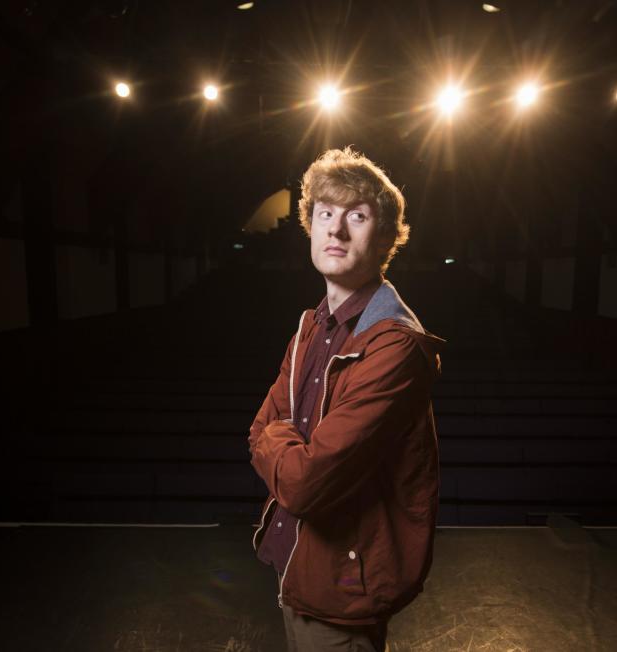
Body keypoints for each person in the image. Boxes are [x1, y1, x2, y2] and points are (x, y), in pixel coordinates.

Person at [248, 147, 444, 651]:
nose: (335, 230)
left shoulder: (394, 345)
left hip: (342, 586)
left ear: (383, 238)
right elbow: (257, 429)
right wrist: (285, 449)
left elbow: (305, 484)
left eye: (356, 216)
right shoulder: (311, 327)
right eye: (324, 214)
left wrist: (281, 447)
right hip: (296, 565)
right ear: (310, 227)